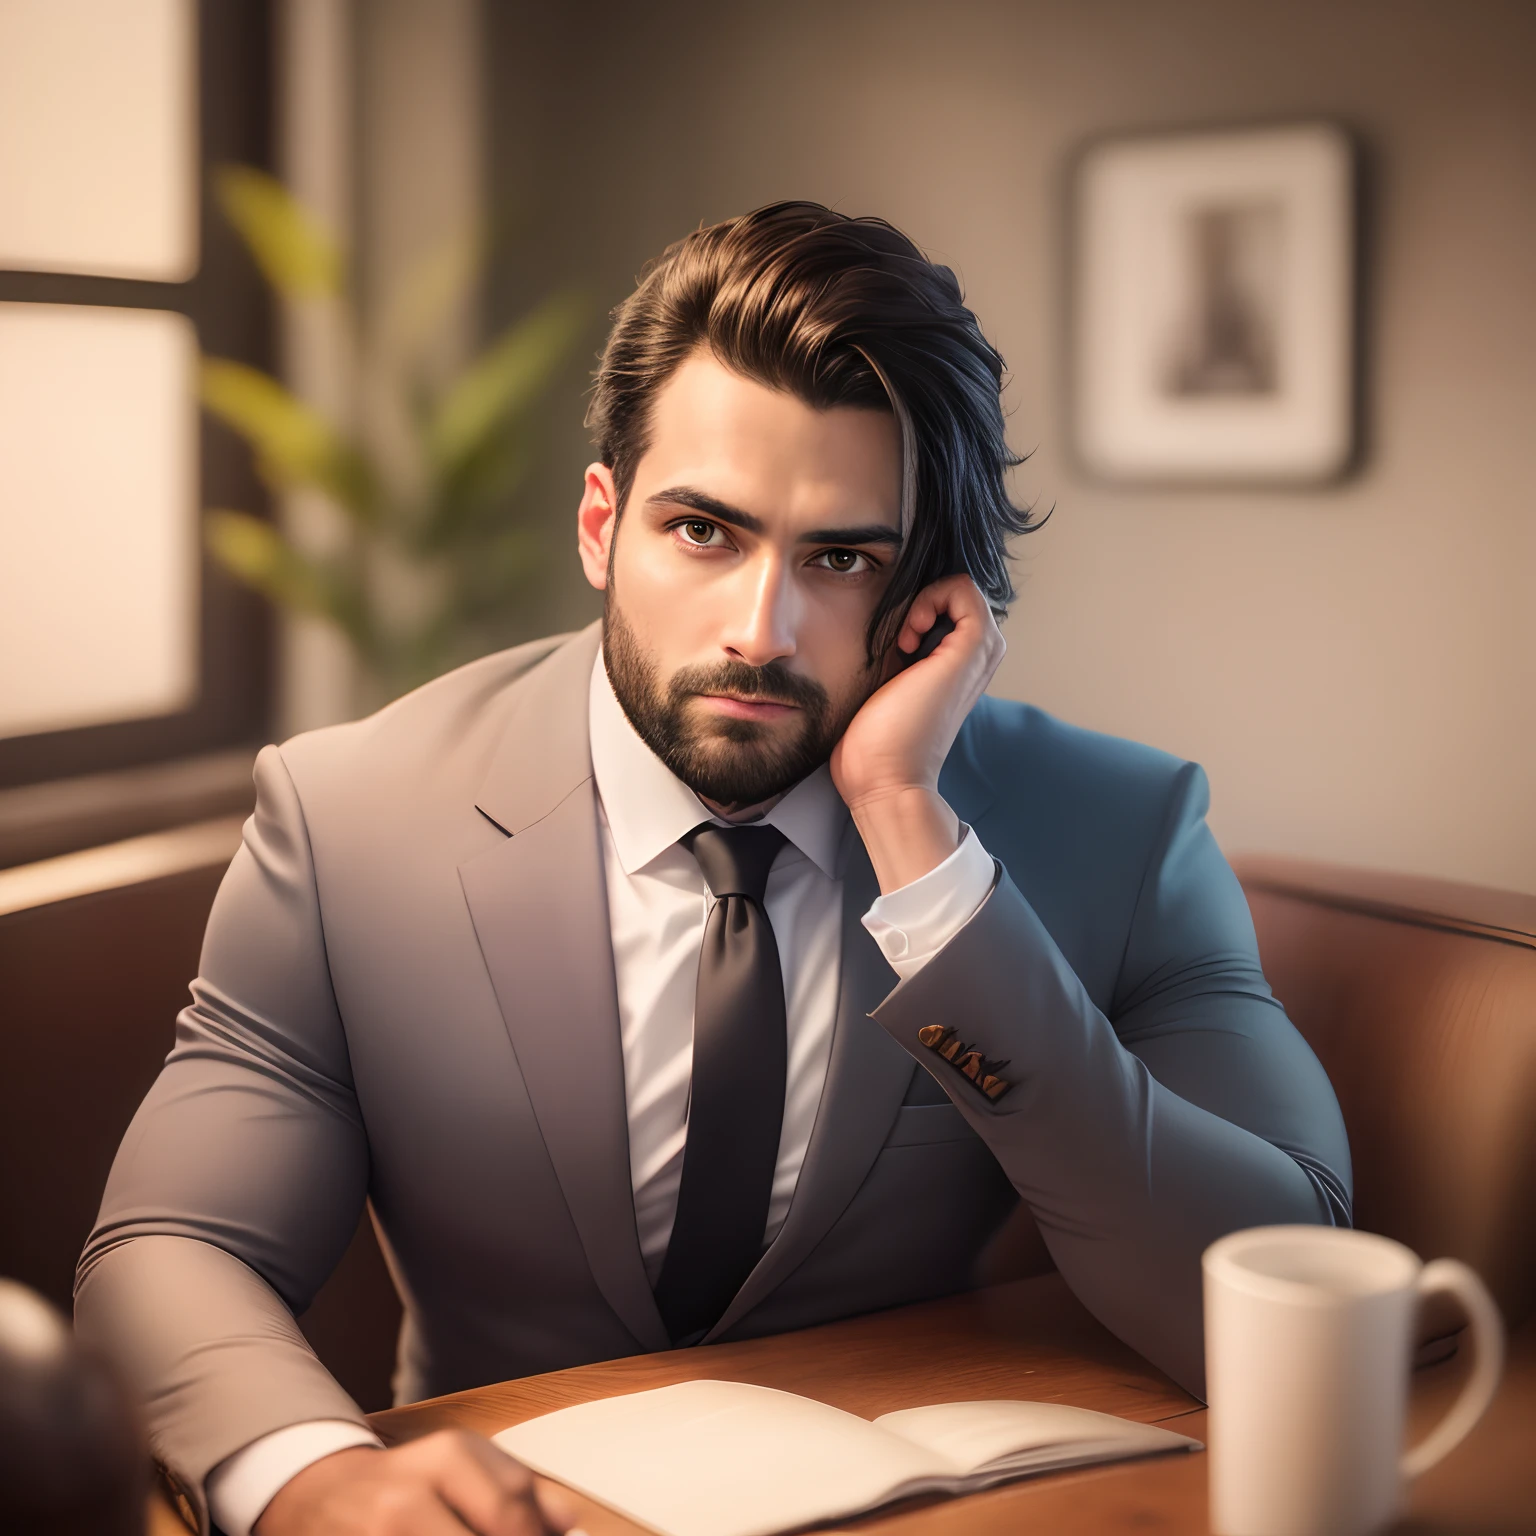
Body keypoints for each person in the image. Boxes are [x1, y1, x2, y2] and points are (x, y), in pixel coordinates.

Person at [76, 202, 1350, 1536]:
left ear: (935, 596)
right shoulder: (345, 824)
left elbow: (1283, 1292)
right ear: (600, 527)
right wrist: (318, 1484)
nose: (762, 629)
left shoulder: (1119, 831)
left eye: (841, 557)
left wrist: (923, 853)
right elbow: (171, 1246)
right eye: (705, 533)